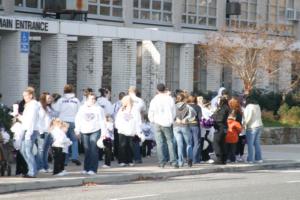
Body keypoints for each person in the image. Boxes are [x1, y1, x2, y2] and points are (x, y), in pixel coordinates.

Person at [75, 93, 107, 175]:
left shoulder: (98, 108)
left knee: (93, 150)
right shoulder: (82, 108)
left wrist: (103, 133)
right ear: (87, 99)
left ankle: (93, 169)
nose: (93, 100)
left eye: (94, 99)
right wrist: (77, 131)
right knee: (87, 150)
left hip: (95, 130)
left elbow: (102, 121)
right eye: (91, 99)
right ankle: (86, 168)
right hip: (84, 131)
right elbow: (78, 119)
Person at [148, 83, 178, 168]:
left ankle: (161, 162)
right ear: (165, 89)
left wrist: (152, 120)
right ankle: (173, 161)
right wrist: (171, 119)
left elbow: (151, 111)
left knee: (159, 143)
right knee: (170, 142)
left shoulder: (154, 100)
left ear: (157, 90)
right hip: (167, 122)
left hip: (157, 122)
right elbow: (173, 111)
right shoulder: (169, 99)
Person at [53, 84, 81, 166]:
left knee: (64, 141)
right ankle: (75, 156)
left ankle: (65, 160)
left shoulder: (61, 100)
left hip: (63, 122)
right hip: (73, 121)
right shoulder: (76, 100)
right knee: (74, 140)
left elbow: (56, 110)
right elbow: (80, 111)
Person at [115, 95, 144, 167]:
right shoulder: (121, 109)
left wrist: (138, 131)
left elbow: (138, 121)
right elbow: (117, 119)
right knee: (122, 145)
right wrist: (118, 127)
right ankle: (122, 160)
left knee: (130, 146)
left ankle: (130, 160)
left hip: (131, 130)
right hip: (122, 130)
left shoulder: (135, 110)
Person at [18, 87, 40, 178]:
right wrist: (18, 116)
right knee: (23, 150)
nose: (24, 97)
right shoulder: (29, 105)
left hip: (30, 131)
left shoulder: (33, 105)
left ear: (31, 95)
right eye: (23, 96)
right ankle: (32, 169)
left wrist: (28, 134)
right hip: (26, 129)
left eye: (26, 95)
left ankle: (32, 171)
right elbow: (26, 120)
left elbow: (31, 120)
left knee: (28, 151)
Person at [173, 93, 194, 167]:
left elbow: (171, 115)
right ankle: (189, 160)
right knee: (189, 144)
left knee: (179, 145)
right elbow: (193, 114)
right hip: (185, 126)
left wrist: (175, 119)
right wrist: (186, 118)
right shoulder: (187, 106)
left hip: (176, 126)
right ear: (184, 98)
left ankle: (180, 162)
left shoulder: (173, 106)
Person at [37, 92, 55, 173]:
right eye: (48, 98)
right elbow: (39, 121)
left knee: (46, 150)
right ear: (43, 99)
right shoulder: (40, 107)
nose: (50, 100)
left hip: (49, 131)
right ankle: (40, 167)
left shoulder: (48, 108)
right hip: (42, 131)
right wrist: (41, 132)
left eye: (50, 98)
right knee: (41, 150)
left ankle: (45, 166)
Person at [244, 95, 263, 164]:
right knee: (257, 143)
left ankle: (250, 159)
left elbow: (248, 117)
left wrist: (244, 124)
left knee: (250, 144)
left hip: (252, 127)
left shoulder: (249, 107)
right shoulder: (257, 106)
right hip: (259, 125)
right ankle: (259, 158)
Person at [212, 96, 230, 165]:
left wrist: (213, 118)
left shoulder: (223, 108)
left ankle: (219, 159)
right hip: (223, 127)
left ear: (221, 101)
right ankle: (223, 159)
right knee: (222, 143)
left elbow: (221, 118)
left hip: (220, 126)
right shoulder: (224, 107)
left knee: (216, 143)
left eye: (218, 101)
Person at [187, 95, 202, 164]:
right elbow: (200, 118)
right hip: (195, 125)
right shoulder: (197, 107)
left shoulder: (186, 106)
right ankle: (194, 159)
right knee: (197, 143)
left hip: (187, 125)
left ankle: (189, 158)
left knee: (189, 143)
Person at [112, 92, 126, 161]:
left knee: (116, 140)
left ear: (119, 97)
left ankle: (116, 154)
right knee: (123, 140)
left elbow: (112, 114)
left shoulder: (115, 104)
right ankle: (122, 154)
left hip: (116, 125)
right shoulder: (126, 105)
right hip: (124, 125)